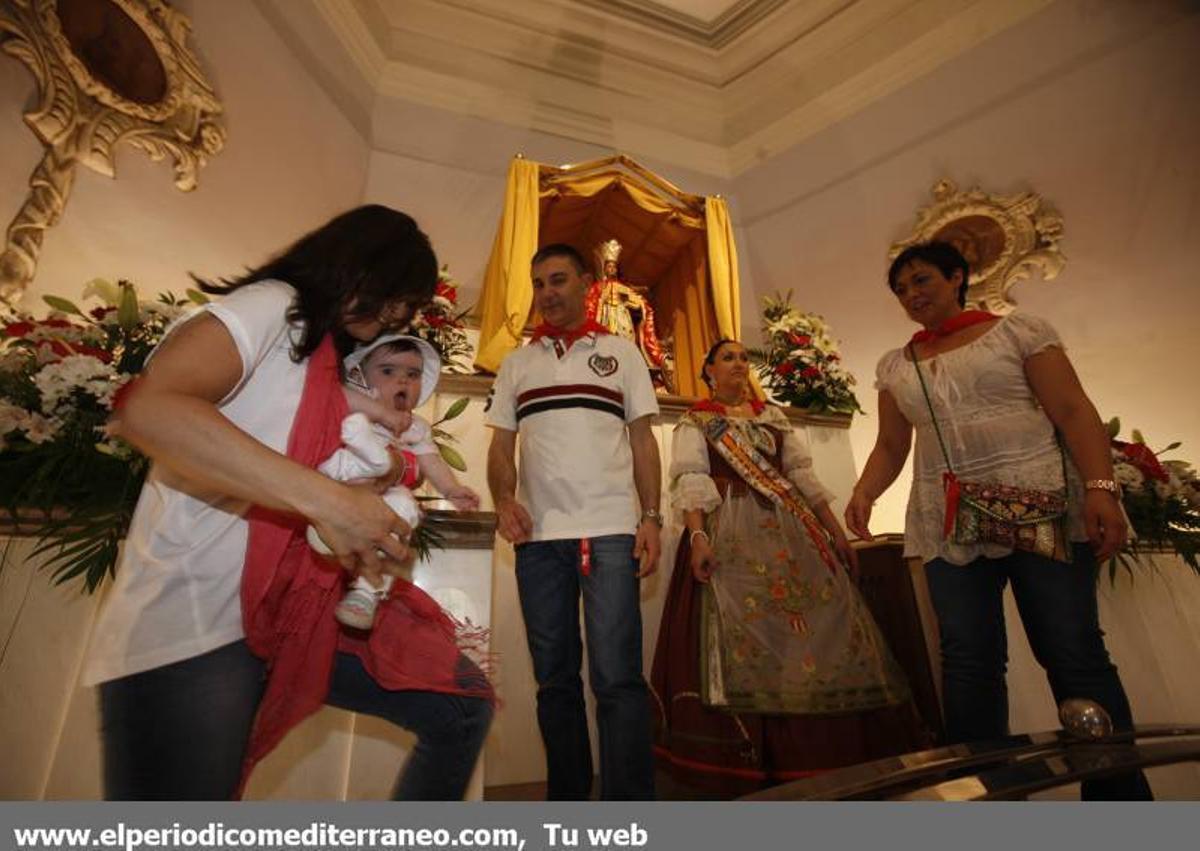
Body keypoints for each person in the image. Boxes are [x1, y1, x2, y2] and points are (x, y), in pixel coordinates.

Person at [82, 205, 493, 800]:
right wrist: (329, 502)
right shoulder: (274, 306)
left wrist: (359, 518)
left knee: (461, 708)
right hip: (196, 620)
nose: (398, 317)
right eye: (398, 297)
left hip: (285, 608)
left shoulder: (327, 358)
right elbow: (149, 408)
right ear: (362, 265)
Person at [845, 240, 1152, 800]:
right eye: (902, 289)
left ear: (957, 276)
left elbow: (1073, 410)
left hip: (1040, 508)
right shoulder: (896, 365)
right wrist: (864, 492)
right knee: (967, 661)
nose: (912, 296)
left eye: (922, 281)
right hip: (950, 521)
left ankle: (1119, 802)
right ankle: (988, 800)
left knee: (1073, 650)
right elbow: (892, 445)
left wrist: (1101, 489)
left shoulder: (1020, 331)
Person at [651, 339, 922, 795]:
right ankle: (754, 760)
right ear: (708, 371)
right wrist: (697, 537)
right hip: (729, 538)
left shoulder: (772, 418)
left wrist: (837, 534)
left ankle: (824, 754)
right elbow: (690, 480)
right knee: (748, 637)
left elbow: (803, 481)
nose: (738, 364)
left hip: (794, 537)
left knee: (813, 636)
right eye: (727, 357)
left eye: (743, 357)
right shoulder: (694, 421)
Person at [486, 243, 661, 800]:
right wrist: (503, 498)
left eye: (558, 280)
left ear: (586, 282)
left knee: (617, 680)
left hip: (610, 531)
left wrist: (651, 517)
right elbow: (501, 447)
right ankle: (566, 805)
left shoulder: (622, 353)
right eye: (538, 283)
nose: (547, 293)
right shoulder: (517, 362)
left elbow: (642, 440)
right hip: (537, 540)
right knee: (554, 682)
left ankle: (629, 808)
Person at [306, 334, 480, 629]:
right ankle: (366, 467)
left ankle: (366, 590)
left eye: (412, 375)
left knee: (405, 507)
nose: (402, 382)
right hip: (337, 484)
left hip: (381, 498)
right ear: (359, 375)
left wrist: (452, 489)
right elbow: (332, 404)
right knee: (341, 455)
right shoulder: (354, 404)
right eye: (388, 372)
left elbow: (430, 460)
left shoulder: (417, 428)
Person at [584, 239, 670, 390]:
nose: (612, 269)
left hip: (623, 318)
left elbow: (641, 305)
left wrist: (633, 303)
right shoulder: (598, 287)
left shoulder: (624, 287)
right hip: (606, 317)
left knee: (625, 347)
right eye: (609, 266)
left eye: (614, 267)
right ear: (604, 269)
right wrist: (602, 300)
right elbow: (589, 306)